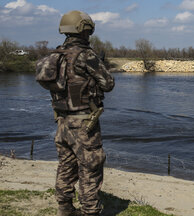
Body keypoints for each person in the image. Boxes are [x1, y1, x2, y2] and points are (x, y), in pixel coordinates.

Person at [38, 10, 115, 216]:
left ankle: (65, 208)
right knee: (91, 167)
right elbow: (108, 84)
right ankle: (90, 211)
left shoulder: (56, 55)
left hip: (62, 122)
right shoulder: (86, 55)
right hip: (84, 124)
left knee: (66, 166)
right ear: (84, 29)